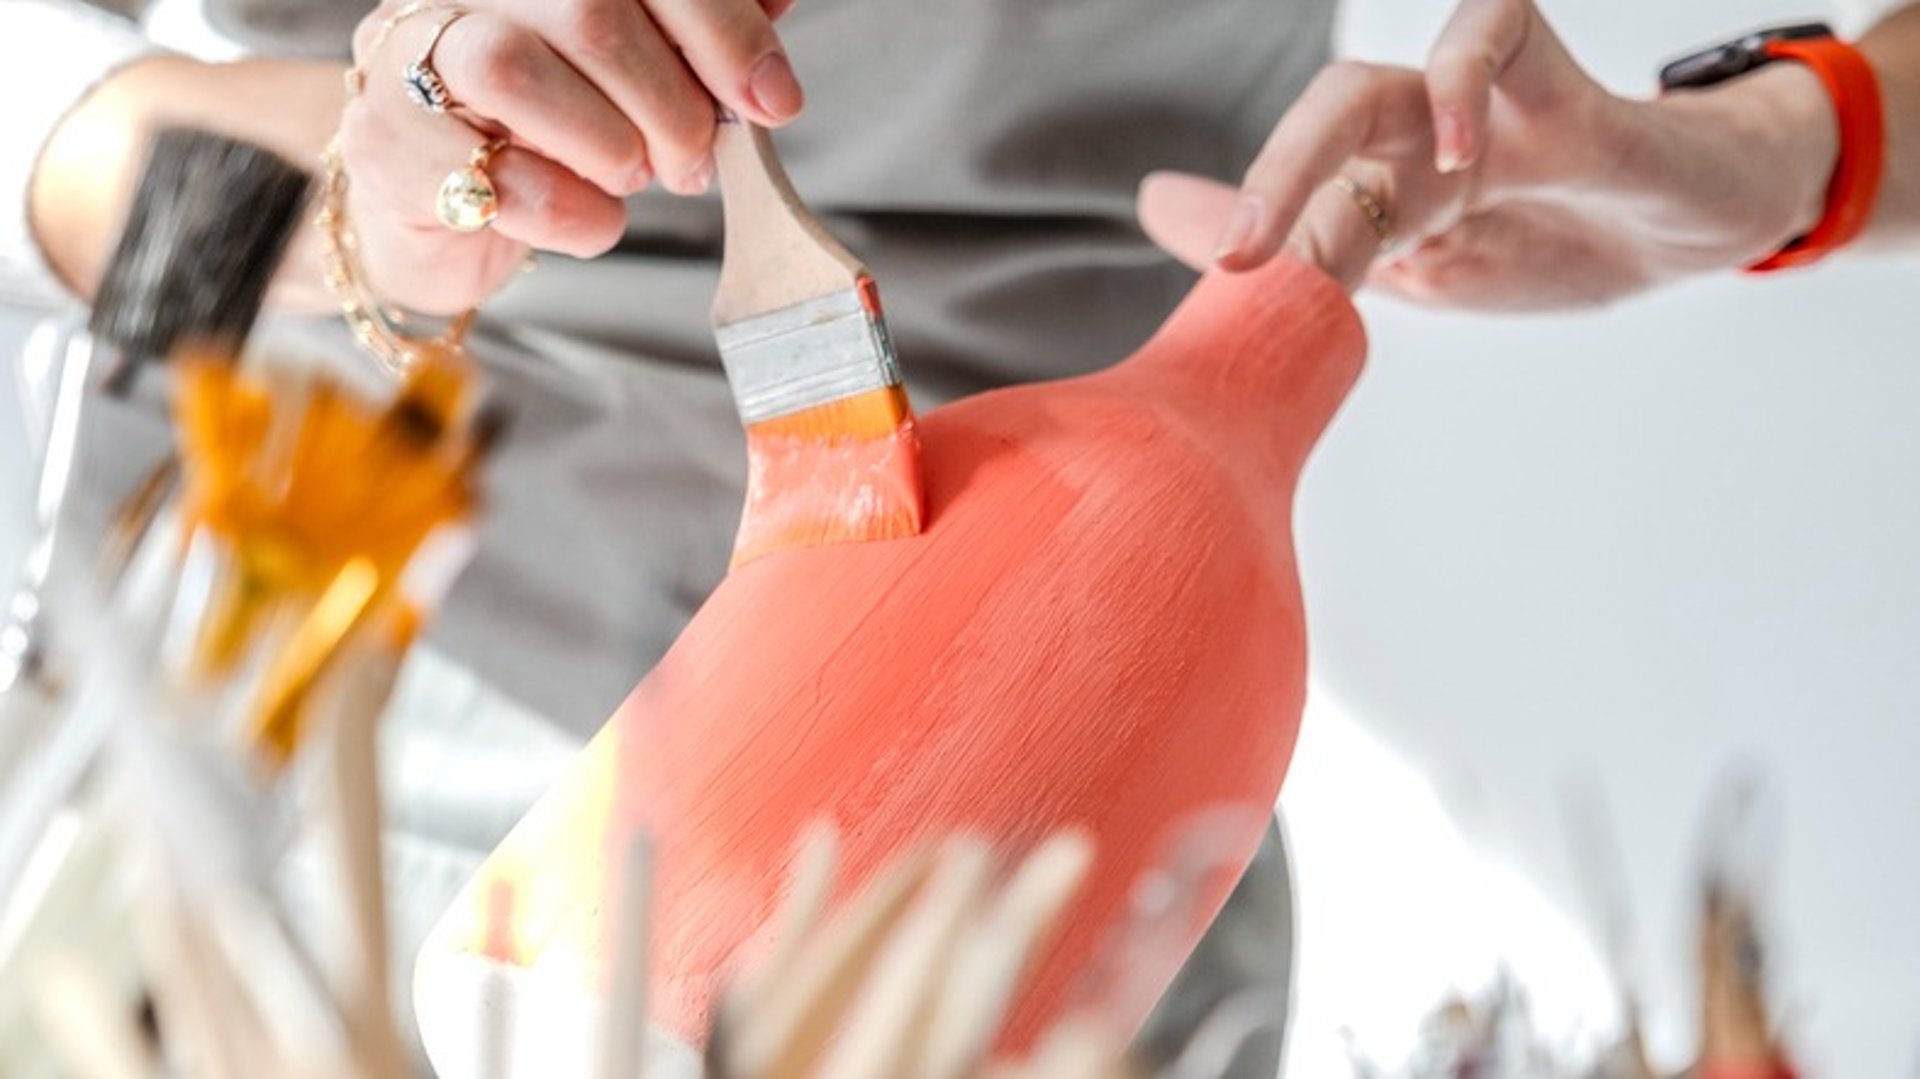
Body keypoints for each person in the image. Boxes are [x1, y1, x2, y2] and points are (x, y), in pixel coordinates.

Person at [0, 0, 1915, 1073]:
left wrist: (1788, 148)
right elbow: (53, 125)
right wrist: (358, 200)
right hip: (365, 784)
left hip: (1072, 835)